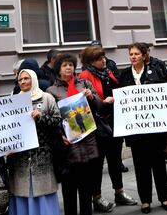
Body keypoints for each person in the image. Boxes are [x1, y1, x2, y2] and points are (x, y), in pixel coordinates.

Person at [78, 46, 137, 211]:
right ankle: (96, 197)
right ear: (91, 61)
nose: (104, 60)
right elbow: (87, 103)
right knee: (97, 164)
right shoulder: (84, 76)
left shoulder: (109, 71)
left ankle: (119, 192)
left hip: (114, 122)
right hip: (98, 126)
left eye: (103, 57)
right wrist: (103, 102)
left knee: (115, 160)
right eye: (99, 59)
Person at [46, 53, 105, 215]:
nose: (68, 68)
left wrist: (91, 97)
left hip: (87, 141)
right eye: (65, 65)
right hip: (68, 145)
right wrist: (60, 136)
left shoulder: (84, 84)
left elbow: (100, 106)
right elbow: (51, 118)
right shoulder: (51, 91)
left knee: (86, 187)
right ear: (58, 69)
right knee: (69, 188)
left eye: (71, 65)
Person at [118, 43, 167, 214]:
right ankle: (145, 201)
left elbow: (165, 93)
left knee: (159, 165)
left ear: (143, 55)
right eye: (130, 54)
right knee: (141, 167)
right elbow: (120, 98)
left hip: (155, 129)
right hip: (136, 130)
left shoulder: (155, 71)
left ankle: (164, 198)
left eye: (136, 54)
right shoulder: (125, 75)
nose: (133, 57)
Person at [7, 69, 61, 215]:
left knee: (42, 190)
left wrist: (41, 117)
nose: (23, 82)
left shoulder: (46, 98)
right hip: (21, 158)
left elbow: (58, 122)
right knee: (22, 191)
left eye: (26, 78)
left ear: (34, 79)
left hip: (42, 155)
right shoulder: (13, 100)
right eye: (20, 79)